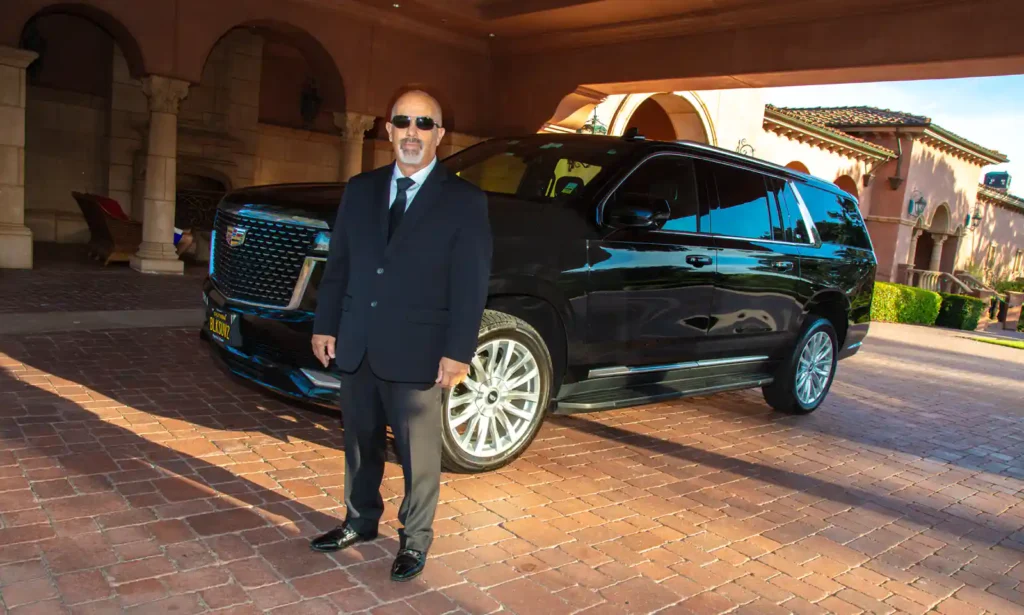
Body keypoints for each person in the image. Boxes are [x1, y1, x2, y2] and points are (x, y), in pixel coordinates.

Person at [308, 90, 492, 582]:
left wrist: (458, 351)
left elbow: (470, 284)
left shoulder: (464, 201)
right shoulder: (360, 189)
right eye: (403, 122)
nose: (413, 132)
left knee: (419, 455)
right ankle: (360, 521)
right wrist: (326, 323)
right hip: (357, 340)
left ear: (439, 135)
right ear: (387, 130)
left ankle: (414, 541)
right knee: (359, 443)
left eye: (424, 124)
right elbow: (340, 264)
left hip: (420, 350)